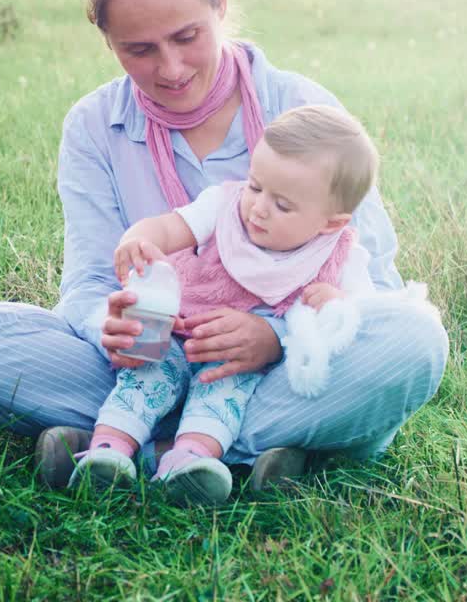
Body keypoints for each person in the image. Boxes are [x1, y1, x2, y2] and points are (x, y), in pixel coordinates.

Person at [0, 0, 447, 494]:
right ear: (107, 40)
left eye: (186, 36)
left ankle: (134, 442)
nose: (171, 69)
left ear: (220, 1)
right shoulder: (92, 128)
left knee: (414, 339)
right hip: (150, 362)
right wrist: (117, 329)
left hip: (279, 366)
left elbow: (371, 280)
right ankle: (248, 449)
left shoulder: (302, 107)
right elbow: (87, 284)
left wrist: (274, 338)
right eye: (140, 49)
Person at [70, 104, 385, 505]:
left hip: (236, 366)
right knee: (144, 375)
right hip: (175, 329)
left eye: (283, 205)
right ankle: (107, 452)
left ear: (331, 222)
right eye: (255, 186)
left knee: (223, 396)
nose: (258, 207)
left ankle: (188, 461)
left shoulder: (340, 256)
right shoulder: (223, 205)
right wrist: (140, 238)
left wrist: (336, 303)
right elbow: (171, 226)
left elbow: (364, 317)